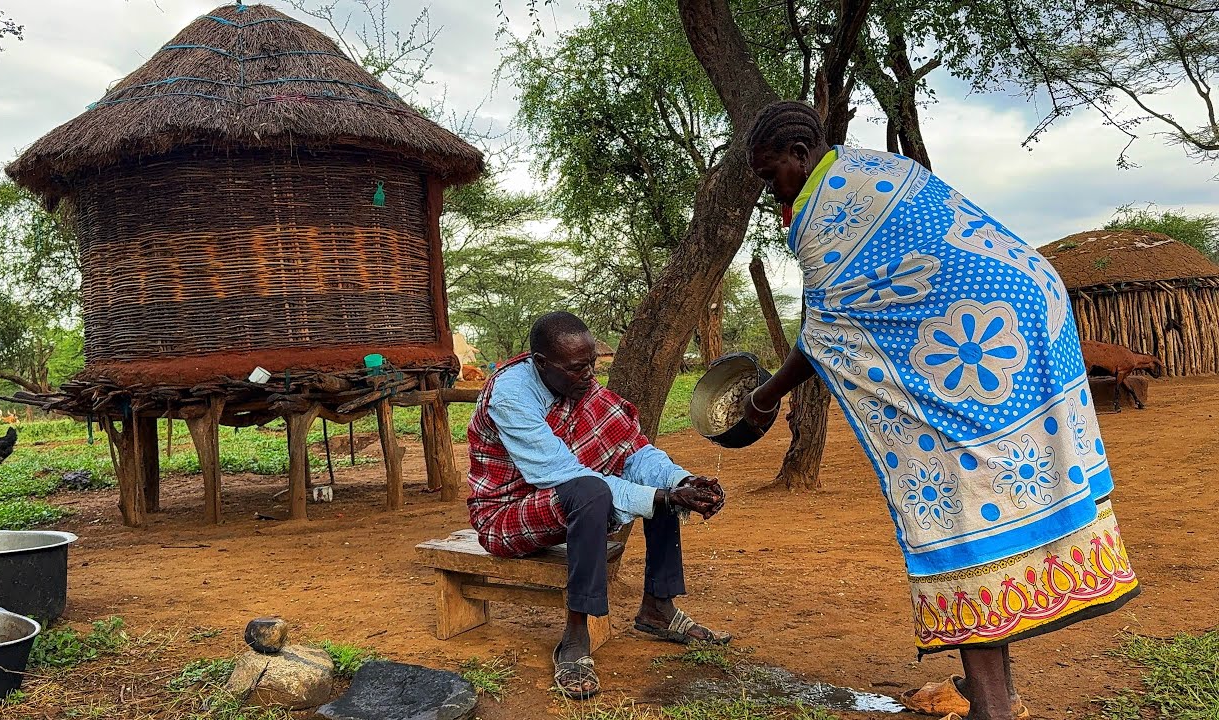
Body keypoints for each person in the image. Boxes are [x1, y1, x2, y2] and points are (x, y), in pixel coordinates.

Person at [740, 101, 1140, 720]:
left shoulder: (824, 215)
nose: (771, 191)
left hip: (978, 348)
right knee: (977, 492)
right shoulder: (878, 169)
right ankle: (993, 692)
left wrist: (765, 397)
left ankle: (991, 708)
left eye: (772, 175)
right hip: (1026, 316)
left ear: (798, 155)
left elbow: (822, 336)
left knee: (957, 507)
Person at [467, 311, 730, 700]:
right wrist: (663, 497)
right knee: (592, 491)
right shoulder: (511, 396)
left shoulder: (576, 383)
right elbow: (561, 476)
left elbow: (634, 451)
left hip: (561, 500)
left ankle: (658, 608)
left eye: (592, 363)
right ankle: (574, 638)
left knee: (652, 479)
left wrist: (682, 482)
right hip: (507, 513)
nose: (590, 375)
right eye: (578, 368)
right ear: (540, 363)